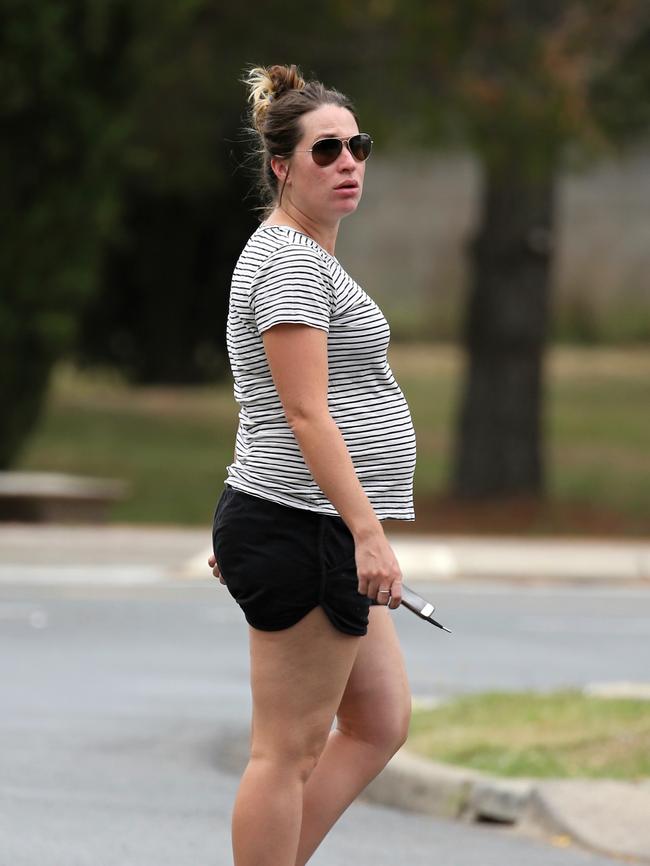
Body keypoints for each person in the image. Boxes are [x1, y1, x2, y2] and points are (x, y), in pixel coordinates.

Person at [207, 63, 417, 866]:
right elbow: (300, 411)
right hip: (305, 526)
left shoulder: (300, 256)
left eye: (357, 146)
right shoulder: (291, 263)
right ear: (282, 166)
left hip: (300, 518)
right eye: (326, 151)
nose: (348, 162)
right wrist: (368, 533)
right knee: (285, 752)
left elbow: (258, 400)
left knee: (379, 720)